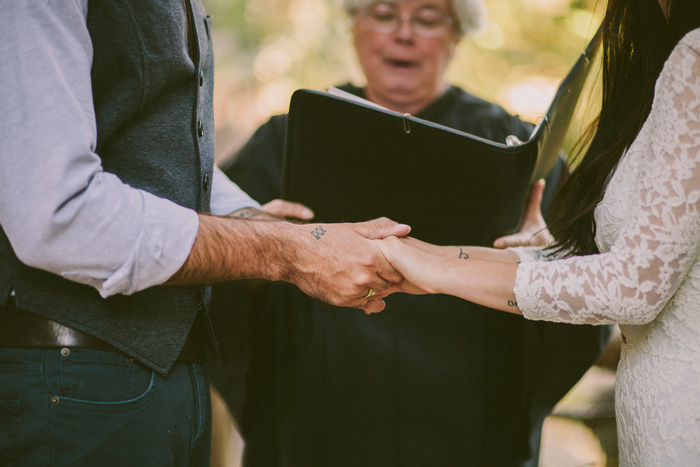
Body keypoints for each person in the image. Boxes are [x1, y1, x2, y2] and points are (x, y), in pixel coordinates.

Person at [0, 1, 411, 464]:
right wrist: (286, 251)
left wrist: (253, 219)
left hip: (169, 388)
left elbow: (156, 158)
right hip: (70, 388)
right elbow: (57, 211)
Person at [211, 0, 610, 465]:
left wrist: (543, 259)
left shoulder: (515, 150)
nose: (403, 33)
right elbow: (218, 285)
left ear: (457, 34)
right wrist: (262, 247)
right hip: (317, 419)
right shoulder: (281, 144)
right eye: (383, 14)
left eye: (426, 18)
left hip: (469, 426)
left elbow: (589, 291)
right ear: (353, 25)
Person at [375, 0, 700, 464]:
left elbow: (635, 286)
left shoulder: (696, 56)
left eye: (427, 19)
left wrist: (432, 271)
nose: (403, 34)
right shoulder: (668, 56)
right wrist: (420, 254)